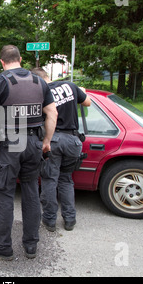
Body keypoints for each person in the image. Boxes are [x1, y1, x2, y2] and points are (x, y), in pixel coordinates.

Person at [0, 46, 57, 260]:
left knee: (3, 193)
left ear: (2, 62)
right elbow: (52, 112)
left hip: (8, 145)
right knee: (31, 192)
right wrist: (47, 140)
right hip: (33, 143)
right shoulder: (40, 82)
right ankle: (31, 245)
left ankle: (3, 247)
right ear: (20, 59)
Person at [31, 67, 91, 232]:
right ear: (48, 75)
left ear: (38, 81)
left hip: (54, 140)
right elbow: (88, 102)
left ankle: (50, 221)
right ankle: (70, 219)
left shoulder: (42, 94)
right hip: (73, 141)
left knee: (50, 180)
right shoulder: (70, 86)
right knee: (66, 179)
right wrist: (82, 92)